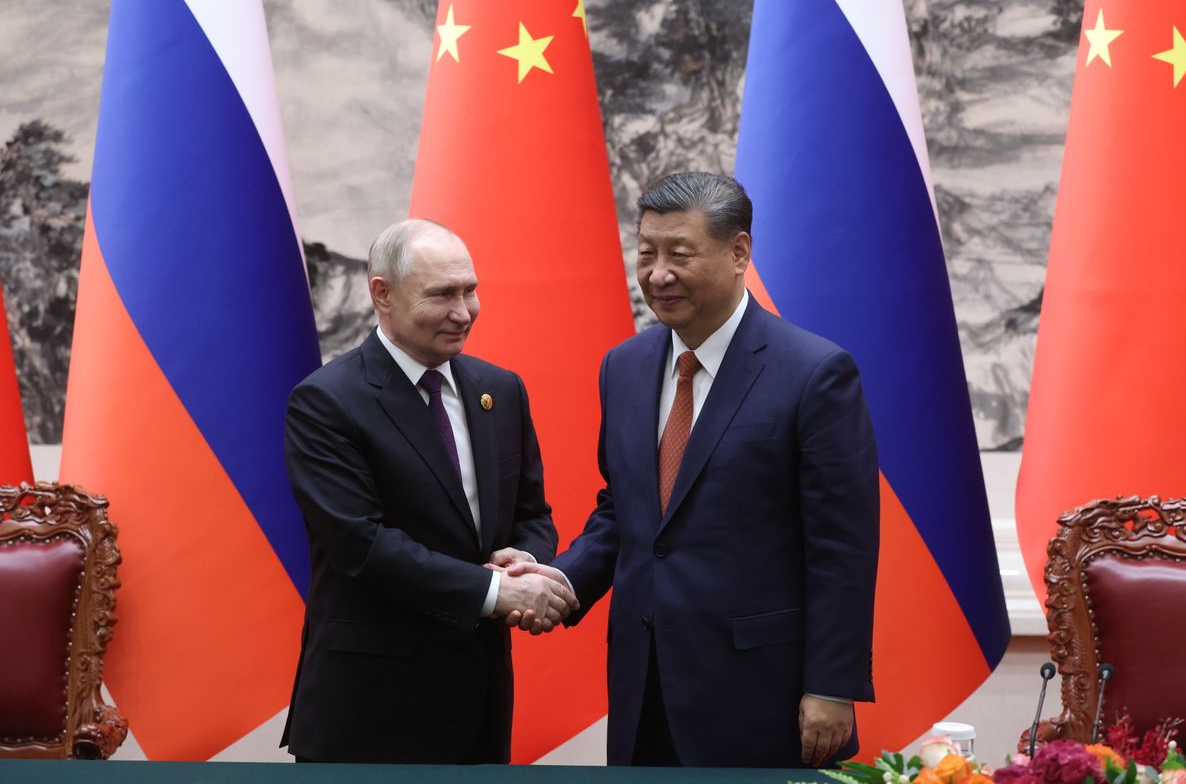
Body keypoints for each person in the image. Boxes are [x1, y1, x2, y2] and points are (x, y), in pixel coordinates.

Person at [507, 172, 880, 767]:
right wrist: (560, 581)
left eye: (679, 254)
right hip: (643, 682)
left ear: (738, 253)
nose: (658, 274)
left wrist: (832, 685)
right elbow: (626, 512)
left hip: (763, 692)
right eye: (646, 253)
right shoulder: (624, 368)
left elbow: (843, 545)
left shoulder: (814, 373)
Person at [281, 219, 576, 764]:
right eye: (442, 294)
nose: (463, 312)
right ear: (382, 294)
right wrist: (496, 595)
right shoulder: (326, 403)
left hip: (478, 705)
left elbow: (532, 512)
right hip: (370, 712)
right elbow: (361, 546)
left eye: (470, 291)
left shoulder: (500, 390)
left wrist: (527, 560)